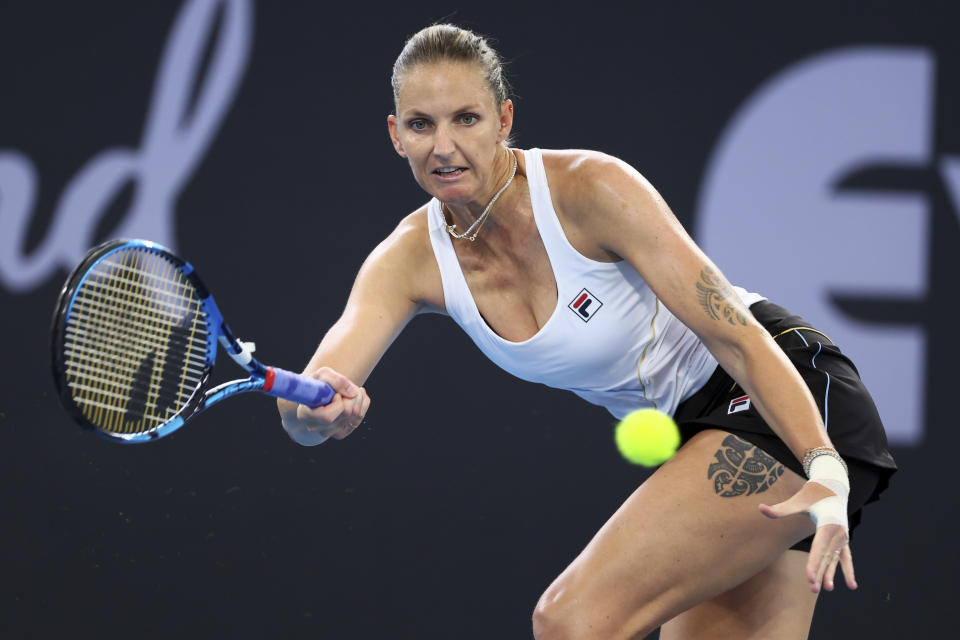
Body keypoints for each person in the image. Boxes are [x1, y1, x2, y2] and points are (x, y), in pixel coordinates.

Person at [276, 24, 896, 639]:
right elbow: (305, 401)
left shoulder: (589, 187)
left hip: (786, 396)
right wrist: (316, 413)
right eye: (420, 125)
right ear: (395, 135)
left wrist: (825, 467)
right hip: (702, 435)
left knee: (572, 620)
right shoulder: (406, 260)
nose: (444, 147)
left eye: (466, 118)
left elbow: (734, 335)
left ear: (504, 119)